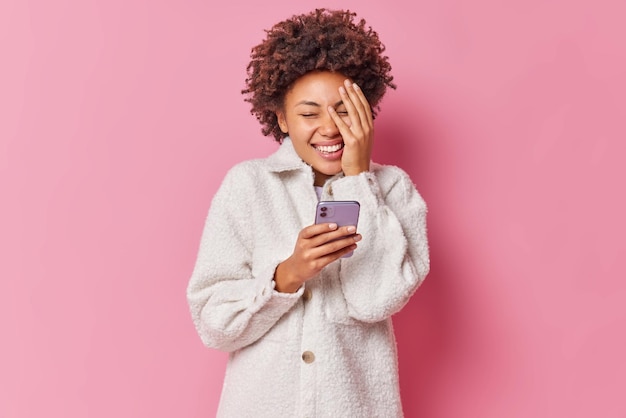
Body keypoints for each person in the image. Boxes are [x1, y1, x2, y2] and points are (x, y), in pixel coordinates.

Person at [187, 9, 429, 417]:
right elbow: (214, 324)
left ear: (367, 111)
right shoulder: (247, 187)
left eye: (344, 110)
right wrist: (287, 275)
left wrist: (357, 180)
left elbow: (376, 301)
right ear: (281, 118)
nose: (330, 128)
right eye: (309, 113)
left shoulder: (394, 189)